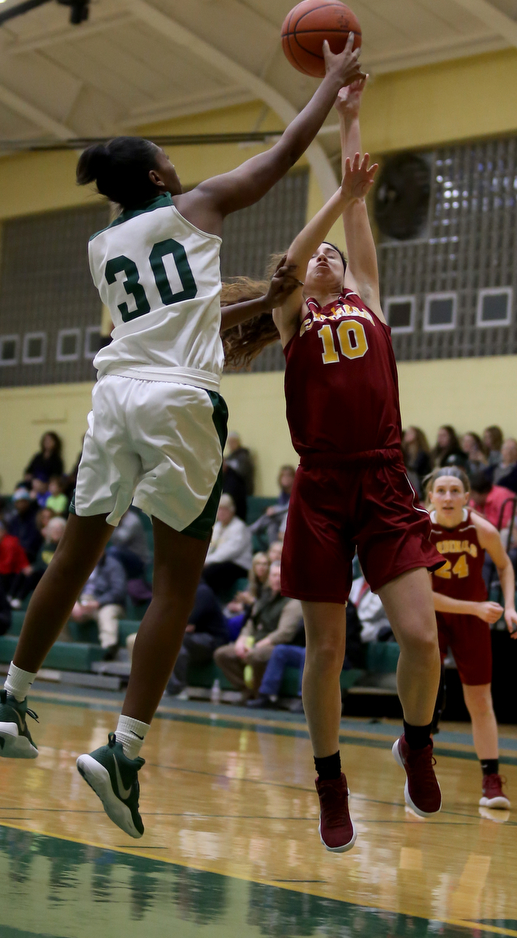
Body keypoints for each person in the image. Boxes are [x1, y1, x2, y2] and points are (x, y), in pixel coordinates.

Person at [0, 35, 365, 842]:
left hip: (114, 395)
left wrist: (260, 303)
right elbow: (282, 153)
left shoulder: (102, 247)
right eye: (167, 158)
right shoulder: (197, 208)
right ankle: (121, 753)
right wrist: (330, 84)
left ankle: (11, 700)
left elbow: (172, 320)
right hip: (180, 403)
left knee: (73, 555)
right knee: (173, 586)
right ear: (160, 175)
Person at [222, 77, 444, 853]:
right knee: (326, 648)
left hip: (383, 480)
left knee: (421, 640)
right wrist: (324, 206)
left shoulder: (369, 298)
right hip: (319, 488)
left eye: (333, 256)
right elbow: (289, 260)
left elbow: (357, 203)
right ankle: (330, 781)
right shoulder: (291, 315)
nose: (324, 257)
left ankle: (416, 742)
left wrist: (351, 117)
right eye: (315, 255)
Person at [427, 466, 517, 807]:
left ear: (467, 497)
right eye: (441, 490)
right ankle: (419, 771)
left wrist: (509, 606)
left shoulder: (482, 530)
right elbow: (422, 595)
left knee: (480, 701)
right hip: (431, 616)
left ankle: (491, 782)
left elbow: (506, 565)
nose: (448, 497)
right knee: (422, 701)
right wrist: (476, 608)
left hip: (472, 617)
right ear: (430, 497)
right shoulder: (421, 530)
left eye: (454, 491)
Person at [214, 561, 302, 695]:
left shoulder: (293, 601)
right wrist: (241, 641)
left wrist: (259, 645)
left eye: (281, 576)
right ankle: (246, 690)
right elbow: (251, 622)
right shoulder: (264, 596)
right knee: (222, 654)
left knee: (256, 655)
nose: (277, 579)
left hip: (276, 645)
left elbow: (285, 633)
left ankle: (260, 693)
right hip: (255, 641)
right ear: (269, 577)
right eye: (274, 575)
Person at [165, 580, 229, 697]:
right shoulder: (182, 592)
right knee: (172, 639)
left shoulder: (202, 591)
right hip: (194, 640)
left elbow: (188, 626)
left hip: (212, 641)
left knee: (176, 639)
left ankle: (178, 689)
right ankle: (168, 687)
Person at [202, 494, 252, 597]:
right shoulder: (217, 526)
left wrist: (207, 561)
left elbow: (229, 552)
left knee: (211, 572)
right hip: (219, 561)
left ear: (232, 511)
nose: (221, 513)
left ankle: (210, 601)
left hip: (238, 564)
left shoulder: (239, 527)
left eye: (225, 509)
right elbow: (210, 547)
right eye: (219, 509)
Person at [249, 465, 296, 547]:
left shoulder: (296, 490)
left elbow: (290, 508)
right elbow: (281, 506)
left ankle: (250, 530)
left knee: (272, 515)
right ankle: (273, 551)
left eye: (288, 476)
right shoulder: (283, 493)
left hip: (292, 518)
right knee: (272, 526)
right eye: (283, 476)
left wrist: (274, 509)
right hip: (280, 519)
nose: (286, 478)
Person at [0, 521, 31, 597]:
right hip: (4, 575)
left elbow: (5, 569)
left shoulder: (9, 543)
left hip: (15, 576)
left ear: (3, 532)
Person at [7, 488, 43, 563]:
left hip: (31, 556)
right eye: (18, 502)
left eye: (23, 502)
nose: (20, 505)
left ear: (27, 502)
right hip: (15, 556)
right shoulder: (13, 521)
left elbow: (34, 540)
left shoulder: (35, 518)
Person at [402, 427, 431, 499]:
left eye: (410, 433)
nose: (407, 435)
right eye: (406, 433)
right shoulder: (404, 452)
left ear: (417, 435)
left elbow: (419, 472)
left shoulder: (422, 454)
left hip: (419, 487)